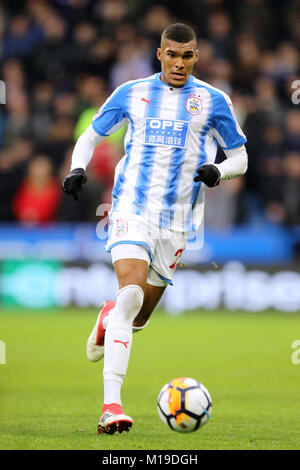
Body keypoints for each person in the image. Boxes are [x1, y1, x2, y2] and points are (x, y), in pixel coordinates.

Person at [62, 23, 248, 435]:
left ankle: (108, 319)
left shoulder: (213, 101)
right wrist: (78, 167)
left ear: (196, 57)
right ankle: (111, 406)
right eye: (172, 54)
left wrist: (218, 171)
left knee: (138, 315)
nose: (179, 63)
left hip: (179, 223)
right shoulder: (131, 92)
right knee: (130, 292)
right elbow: (91, 136)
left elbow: (240, 157)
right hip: (131, 208)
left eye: (187, 56)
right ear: (159, 53)